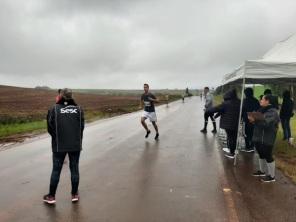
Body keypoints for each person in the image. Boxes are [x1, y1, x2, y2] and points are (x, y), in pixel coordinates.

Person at [43, 88, 85, 204]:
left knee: (56, 170)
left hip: (59, 146)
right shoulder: (79, 109)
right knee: (74, 168)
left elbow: (50, 128)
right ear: (71, 96)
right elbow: (81, 127)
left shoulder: (53, 109)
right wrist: (77, 140)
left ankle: (51, 196)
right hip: (75, 145)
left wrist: (57, 138)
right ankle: (74, 194)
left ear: (61, 96)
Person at [249, 94, 280, 182]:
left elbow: (266, 124)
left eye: (262, 99)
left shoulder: (273, 112)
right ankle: (262, 171)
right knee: (261, 154)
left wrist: (255, 120)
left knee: (268, 155)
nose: (260, 101)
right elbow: (259, 122)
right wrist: (252, 120)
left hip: (267, 138)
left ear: (268, 101)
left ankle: (272, 176)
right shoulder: (261, 110)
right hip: (259, 137)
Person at [206, 89, 241, 158]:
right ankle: (232, 150)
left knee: (230, 138)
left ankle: (232, 153)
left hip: (228, 124)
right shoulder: (239, 102)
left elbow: (215, 109)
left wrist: (207, 110)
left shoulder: (226, 103)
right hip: (236, 122)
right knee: (234, 137)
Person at [241, 88, 260, 152]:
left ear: (246, 93)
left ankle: (247, 145)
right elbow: (258, 110)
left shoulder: (244, 101)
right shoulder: (256, 100)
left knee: (246, 132)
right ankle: (252, 145)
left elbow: (242, 110)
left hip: (246, 119)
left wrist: (241, 118)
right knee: (252, 132)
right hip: (254, 118)